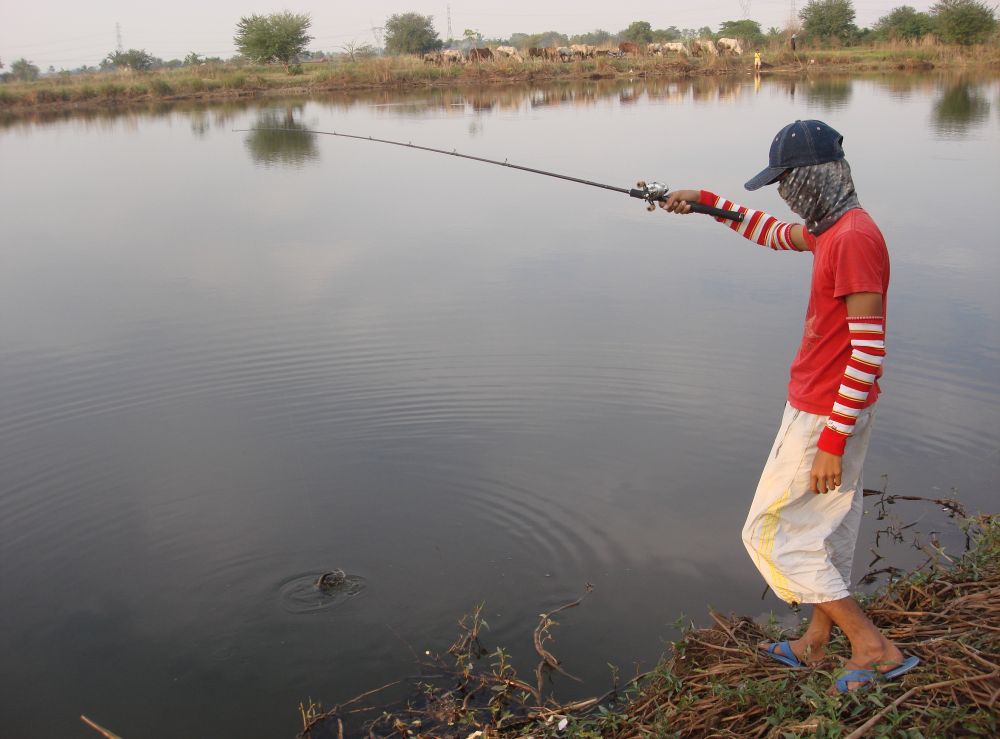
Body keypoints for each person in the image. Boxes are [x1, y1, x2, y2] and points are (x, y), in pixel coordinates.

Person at [658, 120, 919, 694]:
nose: (783, 193)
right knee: (824, 531)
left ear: (816, 176)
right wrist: (704, 203)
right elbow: (773, 232)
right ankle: (816, 643)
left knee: (769, 533)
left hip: (828, 413)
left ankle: (872, 647)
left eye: (787, 180)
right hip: (829, 408)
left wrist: (830, 439)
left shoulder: (852, 240)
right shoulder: (835, 228)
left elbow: (869, 353)